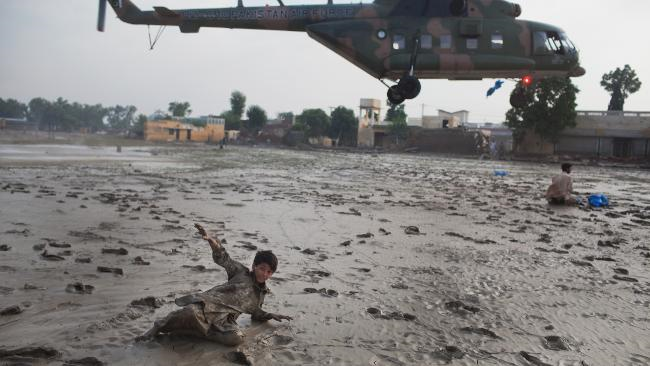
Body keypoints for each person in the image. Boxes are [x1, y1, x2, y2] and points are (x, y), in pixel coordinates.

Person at [136, 223, 292, 346]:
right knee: (190, 312)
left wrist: (270, 315)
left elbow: (255, 312)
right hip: (206, 306)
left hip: (223, 322)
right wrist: (212, 242)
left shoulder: (260, 295)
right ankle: (159, 327)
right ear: (254, 266)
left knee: (237, 338)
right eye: (262, 268)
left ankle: (195, 332)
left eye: (269, 272)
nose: (264, 274)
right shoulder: (241, 272)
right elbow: (223, 259)